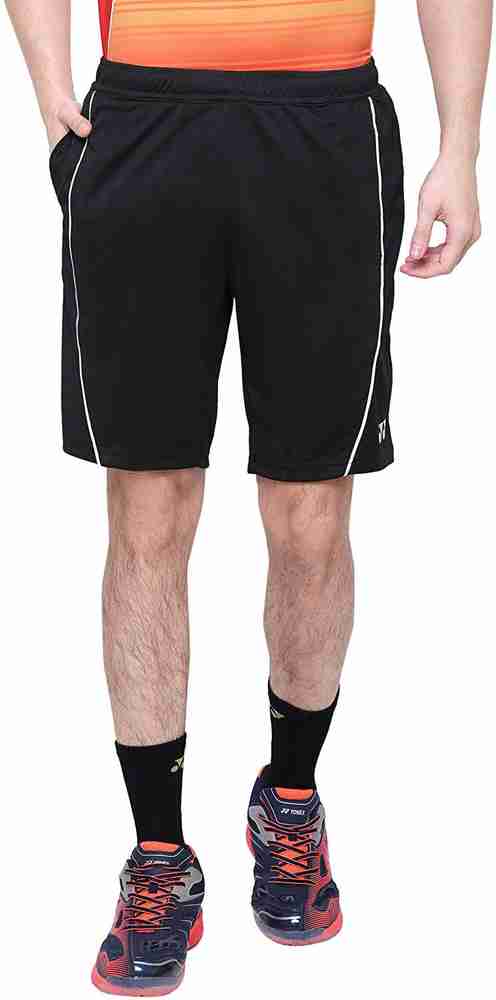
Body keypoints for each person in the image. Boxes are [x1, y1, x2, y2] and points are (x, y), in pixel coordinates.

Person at [6, 0, 491, 993]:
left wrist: (460, 145)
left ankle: (290, 798)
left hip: (325, 124)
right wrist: (52, 94)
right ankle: (158, 854)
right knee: (148, 511)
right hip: (144, 120)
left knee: (310, 514)